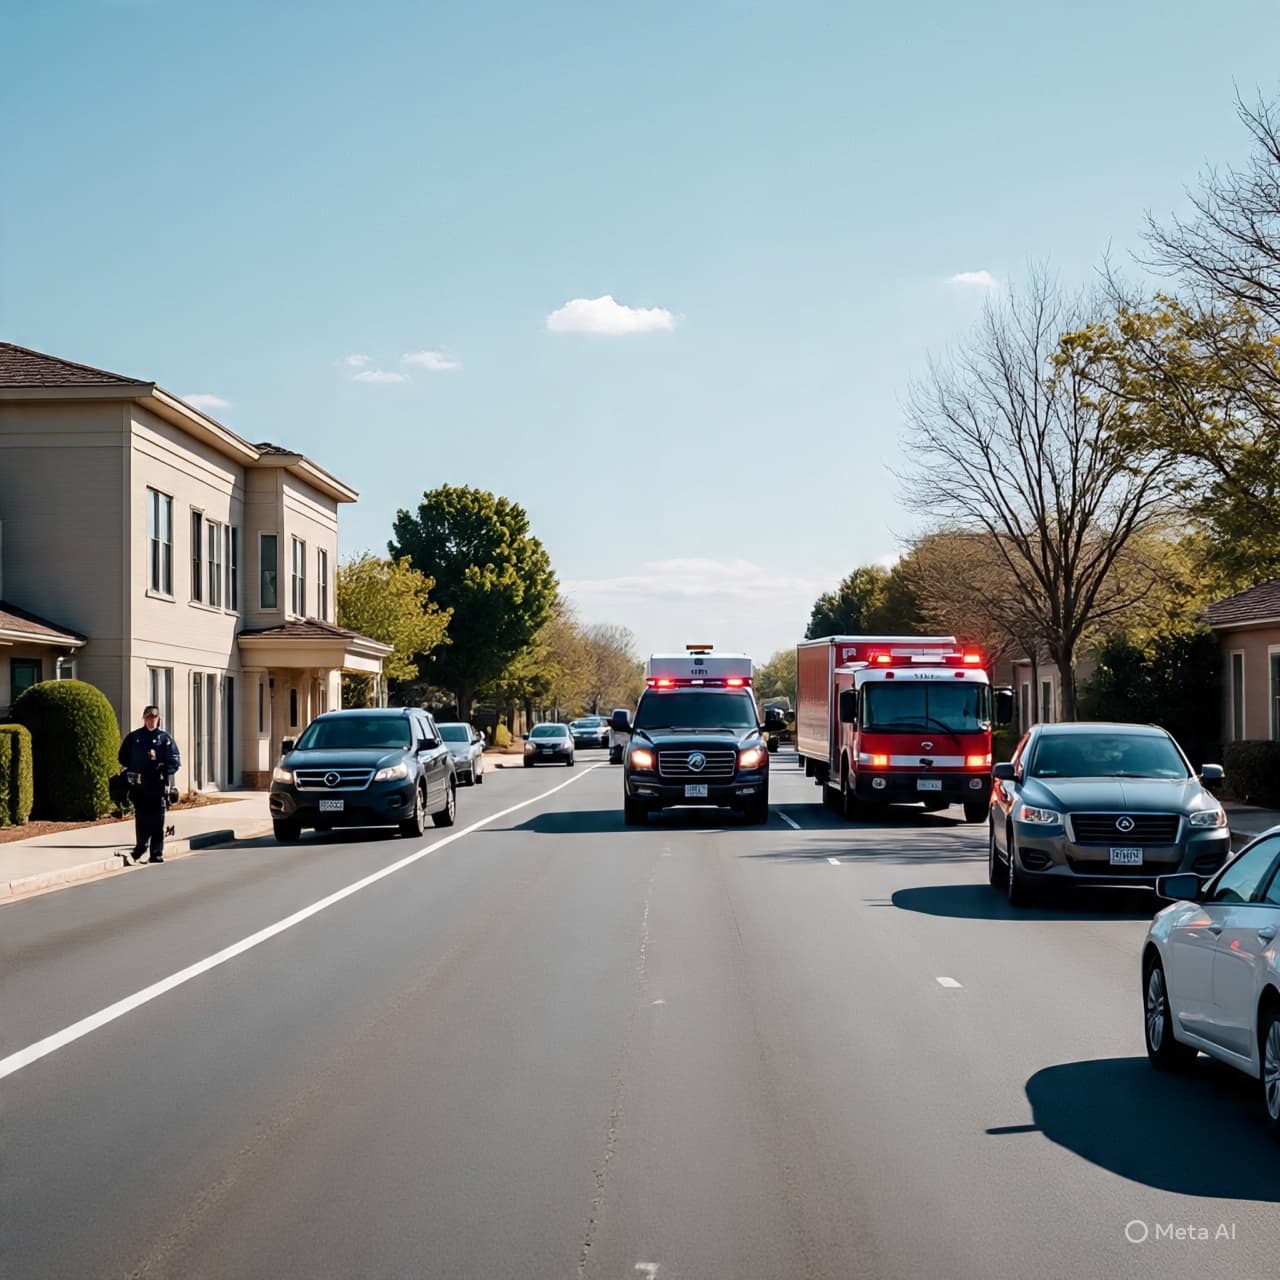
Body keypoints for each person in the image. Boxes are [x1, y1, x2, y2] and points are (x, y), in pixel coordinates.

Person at [118, 706, 181, 863]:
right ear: (144, 719)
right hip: (139, 785)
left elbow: (174, 761)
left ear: (158, 719)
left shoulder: (164, 739)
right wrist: (133, 768)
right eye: (148, 718)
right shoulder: (134, 737)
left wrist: (160, 763)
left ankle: (156, 852)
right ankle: (141, 846)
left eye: (153, 718)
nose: (151, 720)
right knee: (141, 818)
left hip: (158, 785)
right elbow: (123, 756)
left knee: (158, 820)